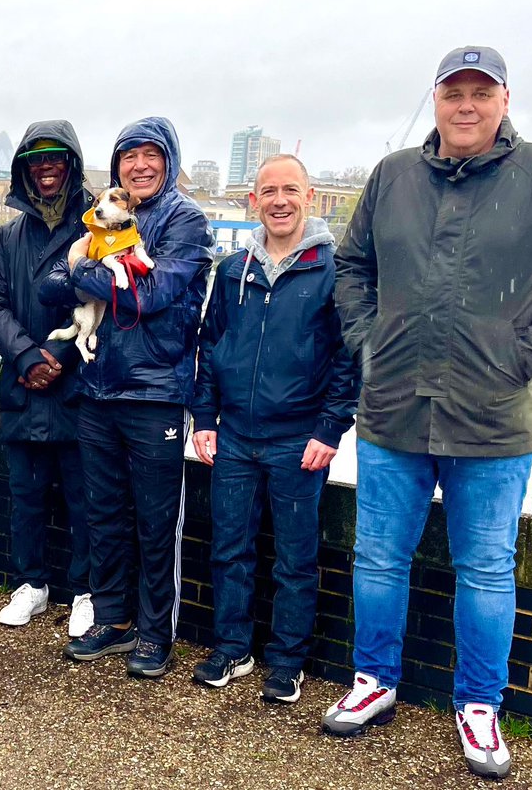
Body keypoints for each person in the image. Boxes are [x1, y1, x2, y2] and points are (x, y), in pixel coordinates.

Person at [325, 46, 532, 780]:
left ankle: (479, 703)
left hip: (493, 417)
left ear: (505, 100)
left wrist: (518, 357)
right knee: (377, 555)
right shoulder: (393, 175)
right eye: (453, 91)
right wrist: (368, 345)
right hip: (394, 407)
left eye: (480, 93)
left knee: (485, 567)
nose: (466, 105)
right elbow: (352, 267)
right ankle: (373, 679)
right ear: (435, 98)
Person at [40, 116, 213, 677]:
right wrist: (92, 277)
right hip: (97, 388)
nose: (139, 165)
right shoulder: (100, 219)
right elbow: (50, 284)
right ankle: (112, 618)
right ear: (115, 168)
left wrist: (85, 274)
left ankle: (155, 629)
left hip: (155, 390)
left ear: (169, 160)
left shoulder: (186, 220)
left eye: (151, 155)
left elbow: (155, 293)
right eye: (128, 156)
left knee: (158, 518)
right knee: (104, 512)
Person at [190, 154, 357, 703]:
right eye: (269, 191)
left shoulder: (333, 270)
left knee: (294, 558)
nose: (279, 200)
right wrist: (206, 419)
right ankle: (232, 647)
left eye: (290, 189)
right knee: (228, 547)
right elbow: (210, 347)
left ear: (308, 197)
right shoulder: (233, 269)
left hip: (298, 438)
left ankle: (286, 662)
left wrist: (330, 428)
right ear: (253, 201)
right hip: (234, 436)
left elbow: (346, 359)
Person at [0, 121, 94, 635]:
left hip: (75, 389)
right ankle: (32, 584)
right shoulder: (9, 237)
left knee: (83, 500)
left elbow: (95, 302)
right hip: (24, 388)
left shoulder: (95, 234)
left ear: (71, 164)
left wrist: (55, 356)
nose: (45, 167)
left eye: (55, 157)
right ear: (24, 169)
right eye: (35, 159)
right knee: (24, 497)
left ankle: (86, 591)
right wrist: (26, 357)